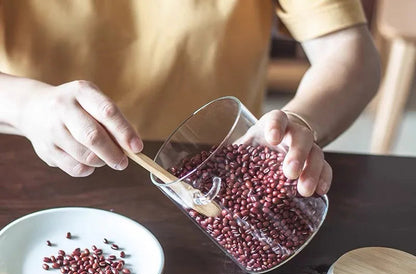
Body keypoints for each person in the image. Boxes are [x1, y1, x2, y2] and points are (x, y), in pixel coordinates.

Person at [0, 0, 380, 197]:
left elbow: (351, 53)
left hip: (220, 177)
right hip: (29, 166)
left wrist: (300, 120)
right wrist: (24, 104)